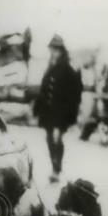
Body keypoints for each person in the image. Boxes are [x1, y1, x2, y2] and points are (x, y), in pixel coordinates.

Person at [33, 34, 83, 182]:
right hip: (48, 111)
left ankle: (56, 169)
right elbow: (43, 89)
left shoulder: (68, 68)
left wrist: (71, 112)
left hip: (62, 111)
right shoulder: (49, 67)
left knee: (57, 137)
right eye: (52, 49)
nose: (54, 52)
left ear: (62, 51)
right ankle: (54, 165)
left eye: (57, 50)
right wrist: (37, 107)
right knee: (48, 138)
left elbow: (76, 91)